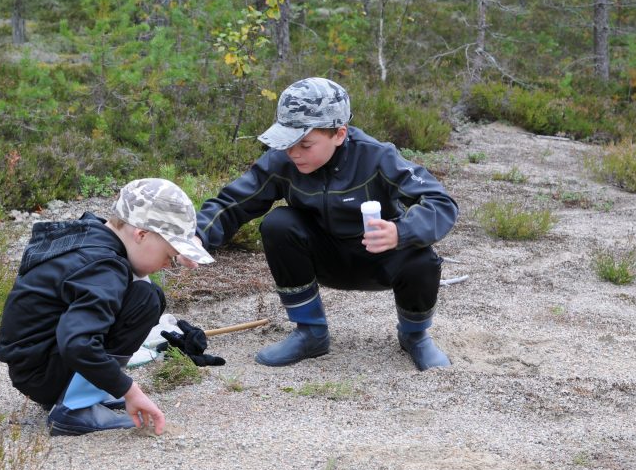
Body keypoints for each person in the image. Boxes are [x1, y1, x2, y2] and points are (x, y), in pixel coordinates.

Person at [196, 77, 458, 371]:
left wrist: (401, 232)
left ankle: (415, 336)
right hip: (323, 260)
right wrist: (196, 237)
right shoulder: (283, 161)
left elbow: (441, 203)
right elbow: (232, 203)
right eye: (287, 142)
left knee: (420, 255)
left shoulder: (377, 157)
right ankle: (311, 333)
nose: (294, 152)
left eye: (305, 144)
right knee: (278, 223)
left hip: (379, 259)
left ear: (339, 133)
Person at [0, 178, 214, 436]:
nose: (169, 265)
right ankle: (76, 407)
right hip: (42, 374)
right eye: (169, 256)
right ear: (141, 234)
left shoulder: (89, 237)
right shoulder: (105, 269)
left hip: (32, 365)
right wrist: (129, 391)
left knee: (145, 292)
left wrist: (176, 247)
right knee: (146, 299)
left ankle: (73, 393)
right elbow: (78, 343)